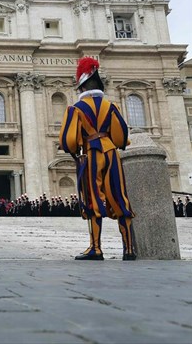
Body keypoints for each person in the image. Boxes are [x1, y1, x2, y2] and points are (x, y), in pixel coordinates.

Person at [59, 57, 136, 261]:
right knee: (120, 196)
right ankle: (128, 249)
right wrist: (113, 143)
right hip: (111, 152)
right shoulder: (111, 105)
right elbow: (121, 136)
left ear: (82, 86)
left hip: (91, 154)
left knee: (93, 198)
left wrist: (74, 149)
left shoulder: (76, 109)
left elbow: (69, 140)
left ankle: (96, 248)